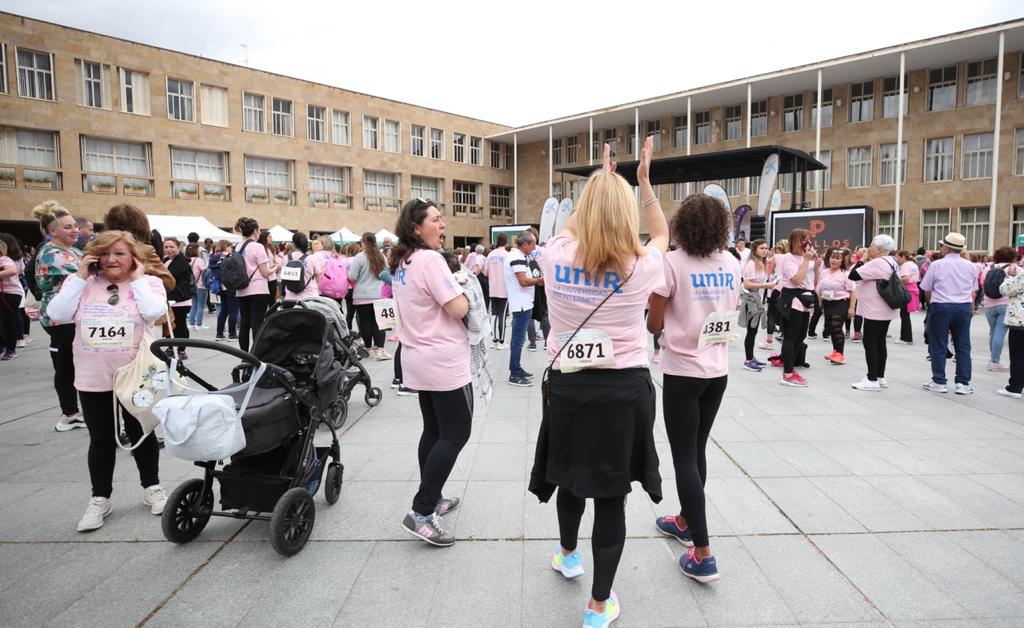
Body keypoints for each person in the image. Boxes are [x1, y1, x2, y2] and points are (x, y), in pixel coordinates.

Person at [529, 138, 668, 627]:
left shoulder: (556, 254)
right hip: (624, 388)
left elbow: (568, 228)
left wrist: (600, 180)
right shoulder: (641, 265)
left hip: (568, 386)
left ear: (583, 209)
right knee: (611, 493)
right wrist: (642, 181)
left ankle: (568, 553)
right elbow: (662, 232)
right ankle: (597, 605)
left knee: (570, 474)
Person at [46, 230, 167, 532]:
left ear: (133, 258)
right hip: (93, 375)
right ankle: (100, 497)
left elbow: (155, 312)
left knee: (141, 432)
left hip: (136, 375)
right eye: (105, 253)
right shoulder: (83, 285)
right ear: (94, 256)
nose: (111, 259)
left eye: (120, 254)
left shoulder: (148, 283)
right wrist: (79, 276)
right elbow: (55, 313)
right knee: (100, 439)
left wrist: (138, 279)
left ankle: (151, 487)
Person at [647, 193, 739, 585]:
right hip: (717, 370)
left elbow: (654, 323)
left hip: (683, 370)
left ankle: (703, 553)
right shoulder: (733, 263)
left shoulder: (672, 263)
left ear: (682, 225)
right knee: (697, 448)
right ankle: (685, 519)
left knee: (684, 455)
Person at [390, 198, 472, 546]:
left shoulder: (404, 261)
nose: (443, 226)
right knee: (456, 432)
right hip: (443, 359)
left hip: (418, 358)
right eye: (436, 220)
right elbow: (456, 308)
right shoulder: (430, 260)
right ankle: (422, 510)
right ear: (415, 227)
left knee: (436, 430)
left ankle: (433, 495)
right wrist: (465, 289)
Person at [32, 201, 84, 431]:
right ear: (52, 230)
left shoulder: (73, 250)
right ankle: (69, 413)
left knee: (69, 364)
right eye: (68, 227)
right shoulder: (52, 253)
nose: (75, 230)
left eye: (75, 225)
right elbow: (89, 274)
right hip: (60, 317)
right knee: (68, 365)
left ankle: (71, 412)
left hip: (72, 315)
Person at [921, 232, 978, 394]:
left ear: (946, 247)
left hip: (941, 305)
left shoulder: (937, 264)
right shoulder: (971, 266)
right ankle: (963, 382)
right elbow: (974, 290)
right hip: (963, 306)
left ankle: (939, 380)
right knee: (962, 344)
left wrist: (931, 303)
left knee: (938, 343)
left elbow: (927, 288)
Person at [847, 235, 900, 391]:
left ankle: (872, 379)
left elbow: (854, 274)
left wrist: (862, 260)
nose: (869, 248)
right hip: (885, 308)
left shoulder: (878, 262)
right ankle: (879, 376)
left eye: (871, 246)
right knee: (880, 342)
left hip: (875, 309)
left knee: (870, 343)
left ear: (879, 248)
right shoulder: (892, 261)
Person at [773, 229, 820, 386]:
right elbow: (797, 280)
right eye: (804, 240)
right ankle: (787, 373)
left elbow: (813, 282)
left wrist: (816, 265)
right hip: (793, 301)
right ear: (796, 241)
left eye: (808, 240)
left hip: (805, 301)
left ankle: (790, 369)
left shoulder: (806, 258)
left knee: (801, 336)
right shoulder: (788, 258)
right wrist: (807, 261)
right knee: (791, 337)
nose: (807, 243)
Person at [233, 218, 280, 352]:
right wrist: (276, 268)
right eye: (259, 230)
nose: (260, 233)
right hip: (258, 289)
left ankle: (244, 354)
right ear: (255, 231)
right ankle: (256, 354)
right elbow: (265, 272)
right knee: (257, 323)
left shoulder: (238, 246)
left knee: (244, 323)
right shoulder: (258, 247)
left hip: (241, 290)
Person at [504, 231, 543, 386]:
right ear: (525, 244)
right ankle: (514, 373)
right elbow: (523, 281)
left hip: (523, 303)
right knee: (518, 340)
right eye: (533, 244)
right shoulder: (517, 257)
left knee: (518, 339)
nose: (535, 247)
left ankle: (517, 368)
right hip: (521, 304)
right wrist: (540, 280)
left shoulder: (519, 256)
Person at [349, 232, 391, 359]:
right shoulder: (381, 257)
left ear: (363, 242)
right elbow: (386, 273)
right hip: (379, 294)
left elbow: (352, 276)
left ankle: (368, 349)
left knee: (365, 323)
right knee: (379, 323)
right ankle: (381, 349)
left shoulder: (359, 257)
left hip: (362, 296)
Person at [817, 247, 856, 365]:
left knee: (837, 328)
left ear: (842, 261)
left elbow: (853, 291)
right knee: (831, 329)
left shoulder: (846, 274)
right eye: (832, 258)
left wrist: (851, 308)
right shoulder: (824, 272)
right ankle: (835, 351)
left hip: (841, 303)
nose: (834, 260)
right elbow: (820, 288)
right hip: (828, 302)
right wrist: (819, 304)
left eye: (837, 258)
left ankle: (840, 354)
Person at [739, 240, 773, 371]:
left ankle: (751, 357)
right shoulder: (751, 264)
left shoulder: (761, 263)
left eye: (766, 248)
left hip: (757, 300)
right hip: (751, 301)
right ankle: (748, 360)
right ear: (755, 249)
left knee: (753, 331)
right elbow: (747, 284)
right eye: (761, 248)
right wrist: (766, 285)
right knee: (751, 331)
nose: (765, 250)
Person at [983, 246, 1015, 372]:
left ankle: (992, 359)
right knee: (1000, 333)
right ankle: (995, 361)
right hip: (1006, 303)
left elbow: (981, 283)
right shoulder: (1014, 268)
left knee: (993, 331)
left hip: (989, 304)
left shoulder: (988, 268)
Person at [162, 238, 193, 359]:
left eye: (171, 247)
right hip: (169, 299)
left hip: (180, 299)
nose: (169, 249)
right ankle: (170, 347)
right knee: (169, 324)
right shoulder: (166, 260)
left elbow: (169, 277)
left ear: (178, 247)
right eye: (166, 247)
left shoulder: (181, 261)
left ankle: (181, 350)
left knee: (180, 324)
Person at [997, 257, 1023, 398]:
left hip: (1020, 321)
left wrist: (1010, 276)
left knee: (1018, 355)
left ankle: (1015, 387)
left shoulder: (1022, 276)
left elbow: (1005, 289)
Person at [759, 240, 787, 351]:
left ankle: (769, 340)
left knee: (771, 314)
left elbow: (769, 270)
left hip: (777, 287)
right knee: (786, 314)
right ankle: (785, 336)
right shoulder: (794, 258)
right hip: (789, 289)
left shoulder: (776, 257)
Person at [0, 239, 24, 360]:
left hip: (9, 294)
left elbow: (12, 270)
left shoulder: (4, 259)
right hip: (6, 294)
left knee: (8, 322)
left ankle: (11, 349)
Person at [484, 234, 510, 349]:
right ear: (506, 242)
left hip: (493, 288)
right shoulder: (508, 255)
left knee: (494, 314)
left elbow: (485, 272)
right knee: (502, 315)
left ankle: (494, 340)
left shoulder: (491, 254)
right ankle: (501, 342)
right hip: (504, 289)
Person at [283, 233, 324, 300]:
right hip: (310, 297)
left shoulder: (286, 258)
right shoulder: (312, 258)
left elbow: (284, 278)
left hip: (290, 298)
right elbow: (318, 277)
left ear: (294, 244)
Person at [210, 240, 238, 340]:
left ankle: (219, 333)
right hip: (230, 285)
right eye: (230, 246)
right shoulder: (229, 256)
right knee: (233, 311)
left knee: (224, 310)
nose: (231, 248)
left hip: (219, 286)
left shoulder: (213, 256)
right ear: (225, 246)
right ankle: (232, 334)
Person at [896, 250, 921, 344]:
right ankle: (906, 337)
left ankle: (906, 337)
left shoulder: (905, 265)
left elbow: (905, 278)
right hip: (913, 289)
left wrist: (896, 279)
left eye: (898, 257)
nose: (898, 260)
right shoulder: (913, 264)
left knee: (904, 315)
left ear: (903, 257)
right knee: (906, 314)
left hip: (907, 290)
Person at [186, 243, 208, 330]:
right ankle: (199, 324)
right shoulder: (199, 260)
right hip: (200, 285)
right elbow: (204, 272)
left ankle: (191, 323)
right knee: (201, 305)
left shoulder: (187, 260)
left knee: (194, 305)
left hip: (191, 286)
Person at [257, 230, 279, 300]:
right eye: (269, 237)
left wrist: (275, 265)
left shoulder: (270, 248)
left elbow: (273, 261)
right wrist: (273, 267)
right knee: (266, 300)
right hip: (265, 278)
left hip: (273, 277)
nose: (271, 239)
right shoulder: (261, 249)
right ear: (264, 238)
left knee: (272, 300)